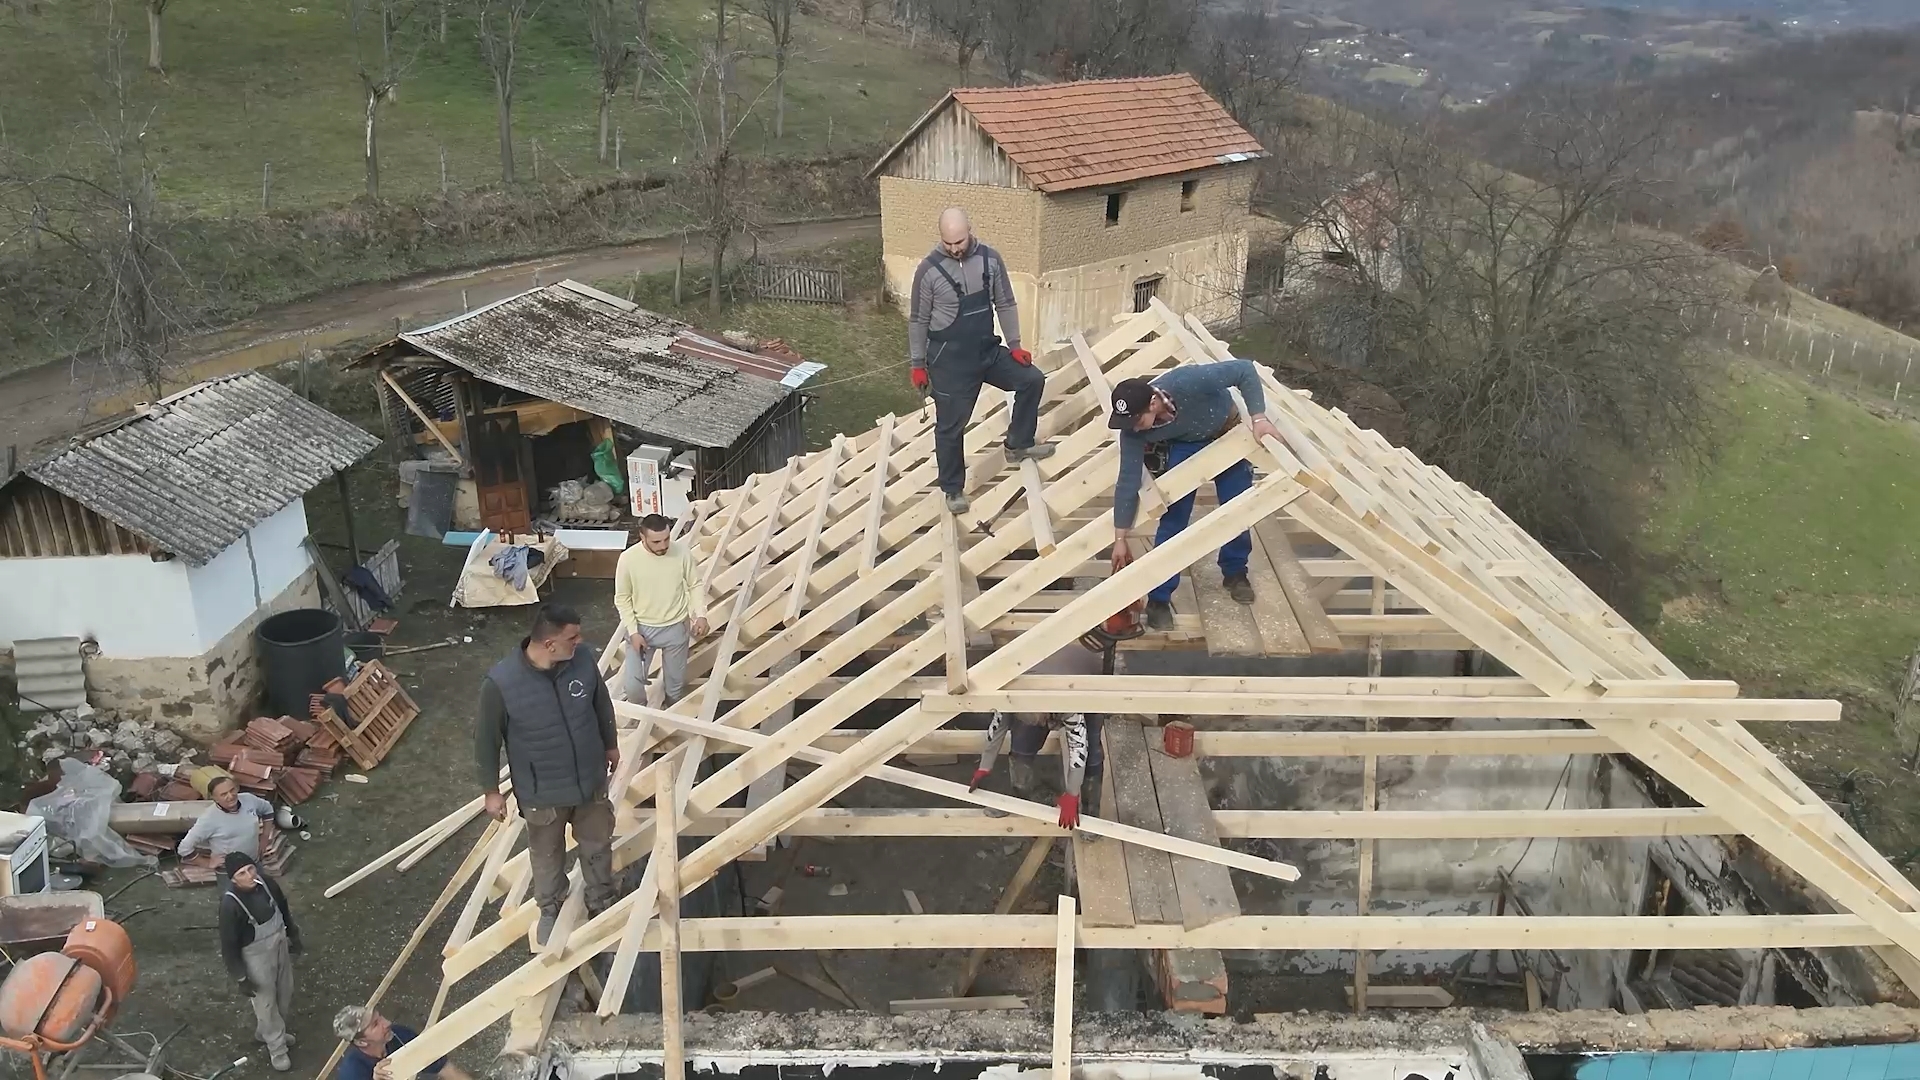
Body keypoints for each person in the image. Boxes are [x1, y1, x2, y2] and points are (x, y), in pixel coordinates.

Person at [475, 604, 621, 945]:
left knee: (597, 843)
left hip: (589, 780)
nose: (580, 641)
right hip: (542, 790)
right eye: (572, 637)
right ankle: (551, 908)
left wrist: (610, 744)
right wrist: (491, 790)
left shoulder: (581, 661)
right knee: (546, 855)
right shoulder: (502, 683)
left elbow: (601, 704)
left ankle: (601, 898)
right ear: (549, 644)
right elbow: (486, 738)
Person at [1108, 359, 1285, 630]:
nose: (1132, 428)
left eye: (1136, 421)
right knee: (1173, 515)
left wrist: (1259, 418)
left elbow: (1244, 370)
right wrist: (1120, 537)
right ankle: (1159, 597)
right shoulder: (1132, 432)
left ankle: (1235, 572)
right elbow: (1127, 480)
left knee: (1238, 507)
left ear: (1153, 404)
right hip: (1185, 442)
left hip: (1225, 430)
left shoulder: (1189, 381)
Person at [908, 206, 1053, 513]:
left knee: (1032, 380)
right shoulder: (928, 271)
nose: (955, 249)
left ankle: (1019, 444)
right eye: (948, 244)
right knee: (950, 427)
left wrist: (1014, 345)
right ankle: (952, 489)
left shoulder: (990, 259)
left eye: (959, 242)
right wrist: (918, 364)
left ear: (969, 230)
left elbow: (1005, 302)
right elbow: (918, 321)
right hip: (950, 363)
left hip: (986, 352)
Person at [965, 642, 1104, 828]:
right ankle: (1019, 798)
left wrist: (1071, 794)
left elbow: (1078, 748)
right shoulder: (1010, 697)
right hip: (1047, 666)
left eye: (1040, 722)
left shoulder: (1069, 706)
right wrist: (985, 765)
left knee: (1092, 749)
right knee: (1022, 739)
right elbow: (997, 728)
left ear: (1048, 714)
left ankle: (1090, 814)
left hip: (1087, 675)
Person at [614, 514, 709, 706]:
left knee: (675, 686)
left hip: (676, 628)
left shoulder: (681, 553)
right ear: (642, 537)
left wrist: (700, 615)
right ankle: (640, 719)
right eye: (656, 542)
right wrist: (633, 632)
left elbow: (694, 584)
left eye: (666, 539)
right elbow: (622, 598)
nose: (663, 546)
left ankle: (671, 717)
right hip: (642, 630)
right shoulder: (628, 559)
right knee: (632, 687)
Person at [220, 852, 301, 1072]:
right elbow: (228, 945)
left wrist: (293, 934)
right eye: (241, 873)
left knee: (285, 991)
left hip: (279, 943)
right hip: (255, 955)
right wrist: (241, 977)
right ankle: (277, 1049)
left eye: (250, 869)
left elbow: (283, 908)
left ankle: (268, 1033)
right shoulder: (230, 904)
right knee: (266, 1003)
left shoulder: (266, 883)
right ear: (233, 878)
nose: (249, 876)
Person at [332, 1007, 474, 1080]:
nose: (387, 1023)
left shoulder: (400, 1034)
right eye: (375, 1025)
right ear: (361, 1042)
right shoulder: (352, 1073)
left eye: (380, 1017)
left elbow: (446, 1069)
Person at [178, 775, 276, 863]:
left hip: (254, 862)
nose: (230, 796)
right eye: (224, 794)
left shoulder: (249, 799)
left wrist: (265, 837)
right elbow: (184, 848)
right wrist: (207, 863)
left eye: (232, 790)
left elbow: (267, 810)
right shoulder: (209, 819)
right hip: (228, 872)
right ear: (215, 798)